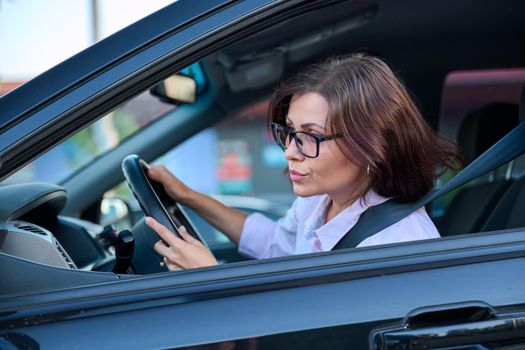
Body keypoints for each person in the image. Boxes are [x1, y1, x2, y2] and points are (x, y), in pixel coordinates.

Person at [145, 53, 462, 270]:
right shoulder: (323, 200)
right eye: (291, 131)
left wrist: (210, 280)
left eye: (311, 136)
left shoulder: (392, 244)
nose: (289, 152)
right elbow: (274, 245)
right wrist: (187, 196)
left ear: (371, 145)